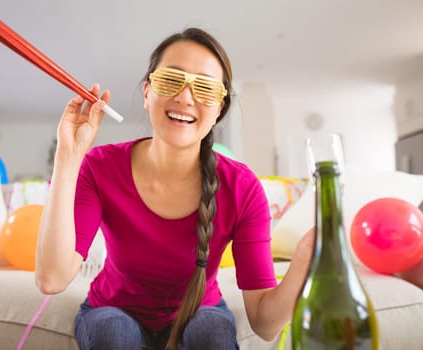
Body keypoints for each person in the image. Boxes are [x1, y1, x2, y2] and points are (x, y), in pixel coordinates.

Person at [35, 27, 313, 350]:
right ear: (147, 93)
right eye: (171, 80)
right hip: (111, 312)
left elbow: (265, 324)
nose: (185, 97)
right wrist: (68, 156)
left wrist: (305, 263)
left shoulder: (242, 187)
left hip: (200, 313)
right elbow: (51, 278)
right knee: (113, 333)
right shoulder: (100, 166)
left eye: (205, 88)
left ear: (219, 109)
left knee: (211, 332)